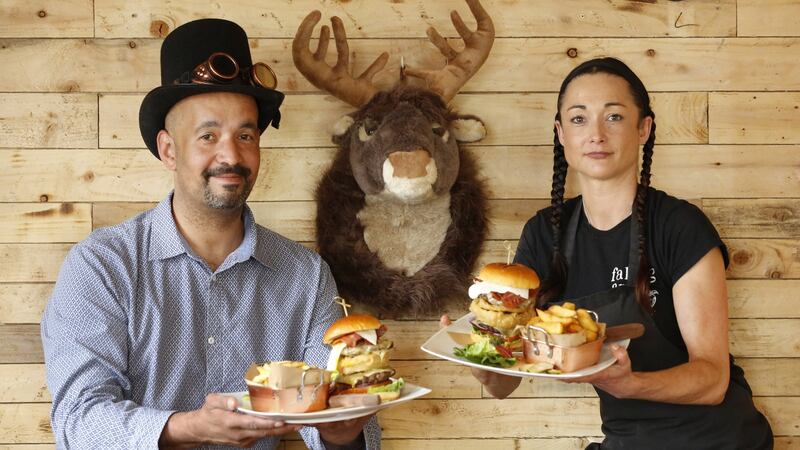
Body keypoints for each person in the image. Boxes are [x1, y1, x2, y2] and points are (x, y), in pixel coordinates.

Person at [40, 18, 379, 449]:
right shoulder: (103, 265)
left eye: (245, 134)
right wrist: (187, 428)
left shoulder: (306, 276)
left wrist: (340, 430)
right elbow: (79, 419)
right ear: (168, 149)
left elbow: (340, 422)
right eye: (208, 135)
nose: (231, 155)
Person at [462, 57, 773, 449]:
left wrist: (631, 385)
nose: (595, 134)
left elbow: (712, 380)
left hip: (716, 440)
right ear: (560, 133)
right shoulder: (544, 233)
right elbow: (505, 382)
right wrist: (478, 357)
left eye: (613, 117)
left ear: (644, 128)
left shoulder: (679, 226)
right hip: (627, 440)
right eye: (578, 119)